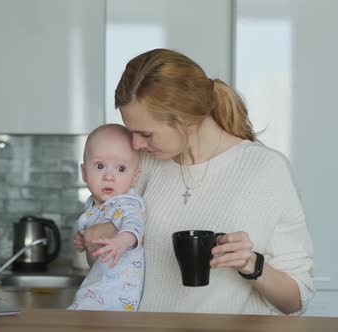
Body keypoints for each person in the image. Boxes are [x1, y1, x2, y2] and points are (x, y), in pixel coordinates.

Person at [74, 48, 315, 315]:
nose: (135, 144)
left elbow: (295, 301)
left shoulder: (266, 169)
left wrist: (251, 264)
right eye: (131, 132)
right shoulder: (140, 164)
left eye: (145, 134)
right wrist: (97, 235)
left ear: (188, 121)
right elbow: (98, 261)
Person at [68, 124, 146, 312]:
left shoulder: (126, 202)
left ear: (135, 177)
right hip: (98, 285)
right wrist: (82, 239)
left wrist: (122, 241)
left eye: (120, 168)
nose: (109, 176)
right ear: (84, 172)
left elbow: (134, 225)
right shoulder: (93, 205)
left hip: (117, 295)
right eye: (100, 166)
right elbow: (91, 239)